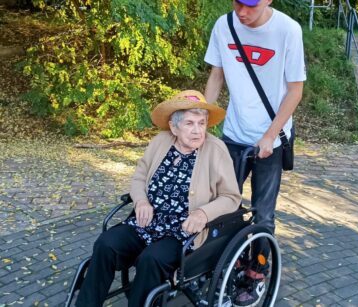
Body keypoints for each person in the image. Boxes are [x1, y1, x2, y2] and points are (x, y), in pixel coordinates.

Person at [75, 90, 241, 307]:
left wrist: (203, 213)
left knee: (151, 260)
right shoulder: (160, 141)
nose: (197, 130)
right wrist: (141, 201)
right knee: (106, 244)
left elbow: (231, 197)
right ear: (174, 126)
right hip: (146, 223)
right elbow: (139, 178)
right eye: (190, 123)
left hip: (183, 232)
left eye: (202, 123)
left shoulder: (215, 150)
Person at [204, 0, 306, 305]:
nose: (242, 12)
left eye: (250, 5)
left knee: (262, 213)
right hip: (233, 134)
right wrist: (204, 125)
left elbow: (295, 90)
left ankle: (257, 273)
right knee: (224, 206)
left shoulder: (288, 30)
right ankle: (228, 262)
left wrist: (270, 135)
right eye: (237, 3)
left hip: (271, 140)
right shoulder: (225, 25)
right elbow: (216, 76)